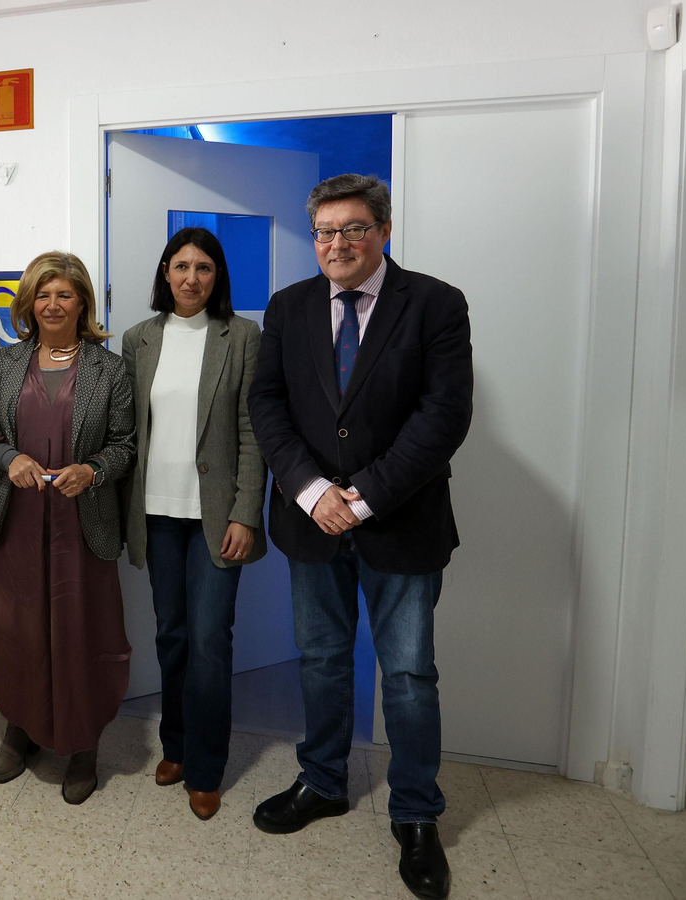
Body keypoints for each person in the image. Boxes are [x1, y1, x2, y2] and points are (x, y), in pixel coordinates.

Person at [247, 174, 472, 900]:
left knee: (407, 676)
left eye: (352, 229)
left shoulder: (435, 303)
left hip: (401, 521)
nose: (336, 244)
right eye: (324, 231)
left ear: (383, 230)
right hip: (311, 521)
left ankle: (415, 814)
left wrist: (366, 496)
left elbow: (444, 416)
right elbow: (267, 404)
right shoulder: (289, 307)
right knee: (320, 661)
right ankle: (322, 782)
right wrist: (312, 491)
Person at [0, 251, 136, 805]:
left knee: (81, 632)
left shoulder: (109, 369)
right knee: (16, 630)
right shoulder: (7, 363)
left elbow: (124, 445)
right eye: (42, 295)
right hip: (15, 523)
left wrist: (92, 470)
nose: (52, 304)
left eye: (64, 294)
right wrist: (9, 458)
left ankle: (83, 742)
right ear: (28, 303)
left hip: (82, 525)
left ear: (82, 302)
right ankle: (20, 728)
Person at [120, 227, 266, 821]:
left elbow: (253, 432)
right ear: (165, 272)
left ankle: (205, 767)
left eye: (204, 268)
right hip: (157, 513)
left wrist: (245, 512)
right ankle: (176, 747)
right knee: (173, 636)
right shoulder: (139, 338)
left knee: (209, 640)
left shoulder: (243, 336)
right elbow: (128, 428)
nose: (191, 278)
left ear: (217, 276)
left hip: (216, 517)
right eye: (181, 266)